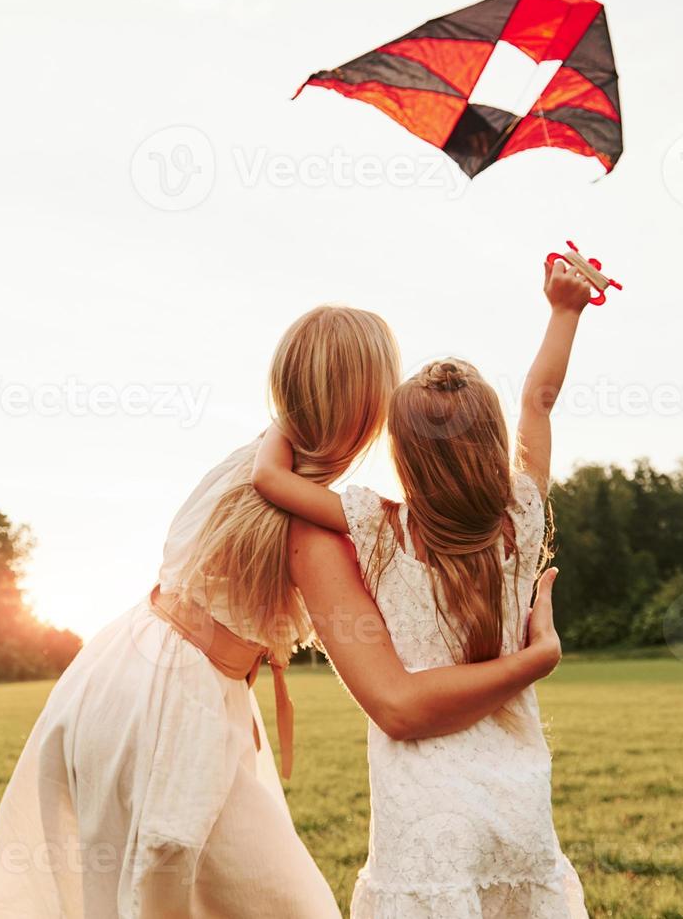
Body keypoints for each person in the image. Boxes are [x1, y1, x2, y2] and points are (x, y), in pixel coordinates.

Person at [0, 304, 565, 918]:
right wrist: (536, 657)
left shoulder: (255, 461)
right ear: (367, 410)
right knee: (217, 900)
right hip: (173, 703)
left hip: (120, 669)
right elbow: (396, 702)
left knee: (165, 894)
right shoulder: (316, 529)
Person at [250, 260, 595, 917]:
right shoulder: (521, 516)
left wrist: (292, 414)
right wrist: (564, 311)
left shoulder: (379, 527)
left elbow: (272, 480)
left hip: (422, 799)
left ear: (402, 457)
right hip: (514, 793)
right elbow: (539, 400)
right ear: (495, 445)